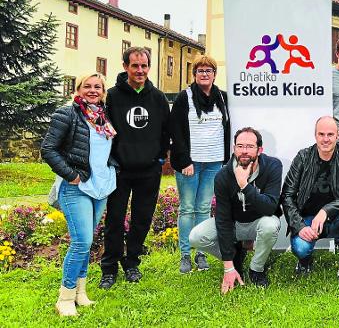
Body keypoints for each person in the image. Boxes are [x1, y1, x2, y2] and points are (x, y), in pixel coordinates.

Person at [41, 73, 117, 316]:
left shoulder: (104, 118)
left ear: (103, 91)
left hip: (101, 186)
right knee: (82, 241)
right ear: (79, 89)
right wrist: (71, 175)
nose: (93, 90)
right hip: (76, 186)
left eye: (98, 87)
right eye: (88, 86)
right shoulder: (67, 114)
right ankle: (65, 297)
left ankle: (80, 293)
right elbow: (48, 149)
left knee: (86, 242)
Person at [99, 47, 170, 289]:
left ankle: (132, 263)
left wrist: (160, 159)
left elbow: (166, 132)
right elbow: (104, 131)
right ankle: (109, 268)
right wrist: (112, 160)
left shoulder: (158, 98)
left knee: (142, 220)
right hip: (120, 170)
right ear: (125, 66)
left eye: (144, 66)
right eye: (135, 66)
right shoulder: (112, 96)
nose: (140, 70)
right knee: (115, 220)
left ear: (149, 67)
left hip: (149, 171)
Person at [190, 127, 282, 292]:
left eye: (249, 146)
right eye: (240, 146)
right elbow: (223, 219)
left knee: (271, 225)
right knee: (196, 237)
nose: (244, 151)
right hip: (234, 223)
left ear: (259, 150)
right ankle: (235, 259)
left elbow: (270, 207)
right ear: (234, 148)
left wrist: (244, 186)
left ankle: (256, 269)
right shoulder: (223, 176)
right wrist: (228, 267)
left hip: (259, 221)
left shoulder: (273, 166)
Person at [281, 116, 339, 292]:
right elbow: (287, 195)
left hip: (336, 219)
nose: (326, 139)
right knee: (301, 248)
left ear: (338, 136)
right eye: (321, 134)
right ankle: (305, 260)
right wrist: (299, 226)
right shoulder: (303, 157)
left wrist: (326, 210)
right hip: (308, 220)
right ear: (315, 135)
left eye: (330, 134)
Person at [169, 55, 230, 274]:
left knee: (204, 208)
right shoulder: (184, 97)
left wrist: (225, 159)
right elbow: (175, 130)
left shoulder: (222, 98)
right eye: (200, 71)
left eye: (208, 70)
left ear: (215, 74)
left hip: (214, 161)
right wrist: (184, 159)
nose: (204, 74)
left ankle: (201, 253)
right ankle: (185, 254)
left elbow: (227, 127)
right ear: (194, 74)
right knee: (187, 208)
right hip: (190, 163)